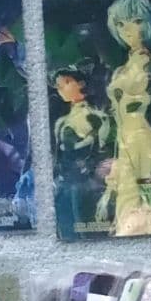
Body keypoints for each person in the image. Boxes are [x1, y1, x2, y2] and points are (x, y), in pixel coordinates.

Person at [97, 0, 151, 236]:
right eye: (121, 24)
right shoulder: (118, 72)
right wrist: (114, 166)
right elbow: (118, 122)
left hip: (150, 145)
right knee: (126, 226)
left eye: (136, 21)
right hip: (125, 151)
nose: (128, 29)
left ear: (148, 22)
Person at [50, 63, 112, 238]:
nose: (61, 88)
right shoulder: (61, 122)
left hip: (86, 184)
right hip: (63, 185)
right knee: (66, 234)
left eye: (66, 82)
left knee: (87, 233)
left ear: (81, 83)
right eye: (59, 85)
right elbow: (57, 155)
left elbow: (101, 151)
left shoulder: (96, 118)